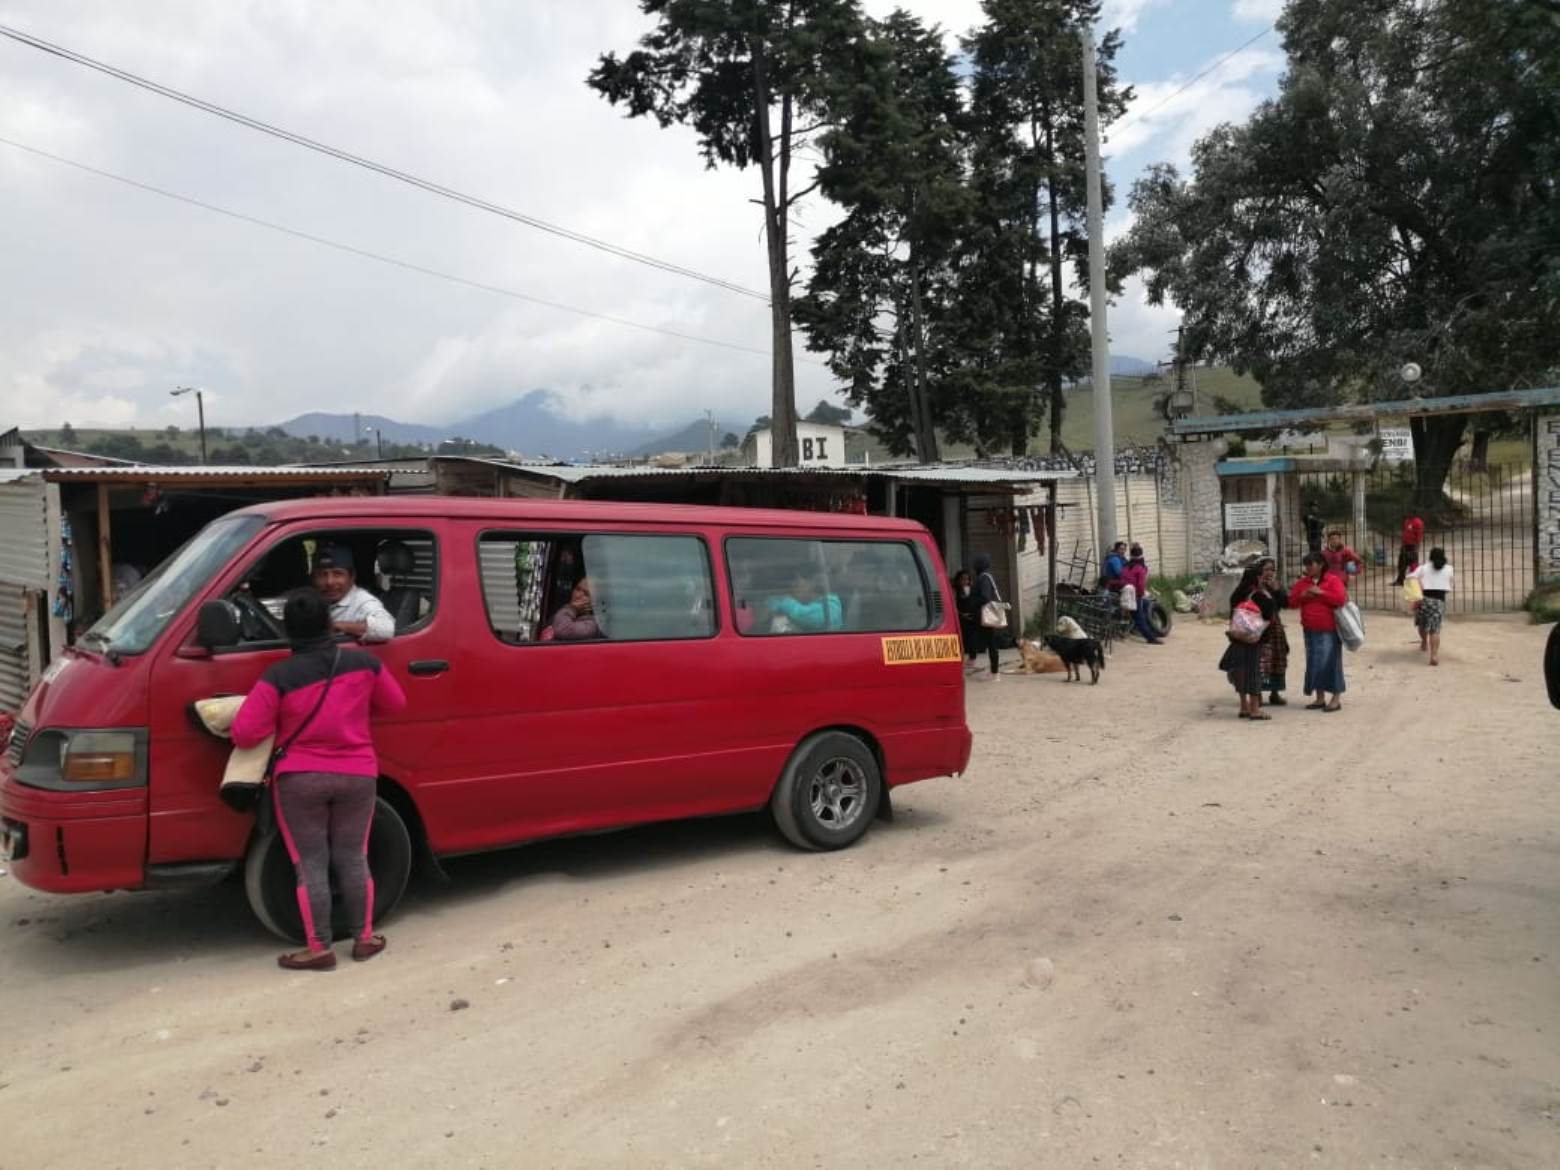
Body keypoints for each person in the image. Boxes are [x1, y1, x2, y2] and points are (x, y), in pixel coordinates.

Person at [231, 590, 406, 971]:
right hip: (358, 773)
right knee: (353, 856)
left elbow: (245, 733)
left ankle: (319, 947)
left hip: (300, 779)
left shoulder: (279, 675)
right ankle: (364, 939)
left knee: (310, 863)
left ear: (287, 631)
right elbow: (396, 704)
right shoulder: (364, 664)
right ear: (330, 624)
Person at [1289, 551, 1348, 712]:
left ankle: (1335, 699)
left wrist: (1320, 593)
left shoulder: (1333, 580)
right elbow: (1292, 602)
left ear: (1321, 565)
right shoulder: (1303, 583)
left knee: (1331, 663)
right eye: (1306, 565)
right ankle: (1320, 698)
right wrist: (1304, 595)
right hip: (1310, 629)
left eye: (1311, 564)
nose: (1308, 568)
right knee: (1314, 663)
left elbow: (1340, 600)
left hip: (1328, 629)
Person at [312, 545, 394, 643]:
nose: (330, 582)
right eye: (323, 575)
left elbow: (386, 629)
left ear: (352, 577)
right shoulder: (314, 598)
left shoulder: (362, 602)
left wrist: (338, 626)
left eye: (338, 574)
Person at [1218, 566, 1269, 720]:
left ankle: (1243, 705)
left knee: (1240, 672)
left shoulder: (1237, 593)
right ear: (1258, 578)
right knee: (1254, 673)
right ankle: (1255, 709)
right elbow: (1268, 614)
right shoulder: (1259, 595)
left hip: (1237, 638)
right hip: (1254, 640)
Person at [1407, 547, 1453, 666]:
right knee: (1435, 629)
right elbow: (1447, 581)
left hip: (1423, 600)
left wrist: (1419, 586)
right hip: (1438, 602)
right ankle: (1434, 655)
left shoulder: (1423, 568)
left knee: (1422, 624)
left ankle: (1423, 642)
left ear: (1430, 557)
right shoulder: (1449, 569)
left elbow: (1410, 577)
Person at [1257, 557, 1291, 706]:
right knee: (1261, 661)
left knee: (1277, 659)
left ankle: (1275, 692)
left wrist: (1278, 590)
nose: (1270, 573)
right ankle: (1256, 693)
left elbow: (1286, 603)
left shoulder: (1276, 585)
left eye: (1272, 569)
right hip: (1258, 627)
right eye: (1266, 569)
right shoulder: (1253, 585)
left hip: (1275, 627)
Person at [765, 570, 843, 633]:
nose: (791, 590)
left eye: (796, 585)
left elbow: (804, 616)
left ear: (812, 583)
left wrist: (781, 601)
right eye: (790, 586)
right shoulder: (804, 605)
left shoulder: (831, 606)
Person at [1118, 545, 1163, 644]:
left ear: (1131, 555)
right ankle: (1150, 638)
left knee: (1145, 608)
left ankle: (1153, 632)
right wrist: (1141, 594)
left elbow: (1122, 578)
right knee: (1139, 617)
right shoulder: (1140, 567)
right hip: (1135, 594)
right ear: (1141, 555)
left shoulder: (1126, 566)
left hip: (1125, 592)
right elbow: (1140, 584)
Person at [971, 554, 1002, 680]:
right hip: (984, 615)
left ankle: (995, 673)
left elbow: (985, 597)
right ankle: (992, 671)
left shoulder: (984, 578)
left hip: (985, 616)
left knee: (990, 642)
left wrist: (973, 602)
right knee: (988, 641)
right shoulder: (984, 577)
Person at [551, 576, 602, 641]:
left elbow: (563, 630)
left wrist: (571, 608)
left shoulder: (592, 625)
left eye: (586, 594)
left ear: (595, 602)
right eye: (577, 589)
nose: (577, 595)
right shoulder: (563, 614)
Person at [953, 569, 981, 672]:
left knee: (972, 638)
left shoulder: (971, 589)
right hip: (960, 617)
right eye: (963, 579)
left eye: (967, 579)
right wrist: (960, 614)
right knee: (961, 639)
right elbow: (954, 604)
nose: (965, 582)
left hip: (971, 617)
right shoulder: (956, 590)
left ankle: (972, 658)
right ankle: (961, 658)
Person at [1392, 514, 1425, 587]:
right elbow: (1405, 532)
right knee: (1401, 563)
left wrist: (1417, 546)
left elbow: (1419, 534)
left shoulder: (1417, 522)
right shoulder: (1407, 521)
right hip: (1405, 545)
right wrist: (1403, 543)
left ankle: (1415, 581)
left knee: (1413, 565)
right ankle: (1400, 580)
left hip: (1412, 545)